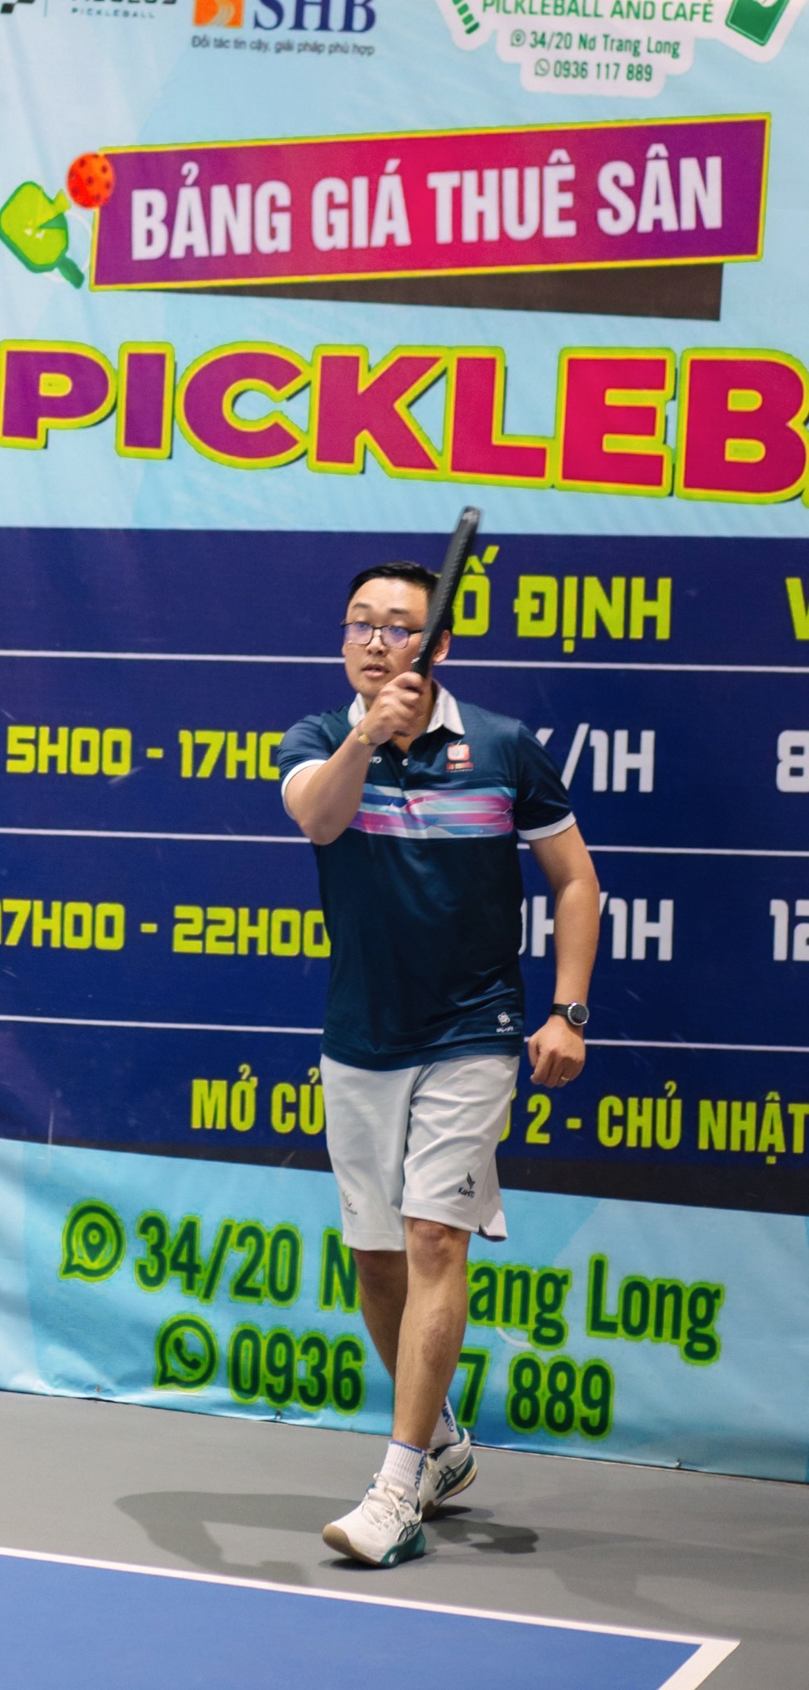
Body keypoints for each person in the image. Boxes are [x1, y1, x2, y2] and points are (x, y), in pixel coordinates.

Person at [278, 558, 598, 1569]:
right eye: (359, 623)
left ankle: (396, 1489)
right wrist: (367, 738)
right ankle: (445, 1446)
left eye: (397, 626)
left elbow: (576, 881)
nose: (375, 641)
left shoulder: (500, 747)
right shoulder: (318, 739)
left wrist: (567, 1011)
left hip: (473, 1028)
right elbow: (317, 818)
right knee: (375, 1259)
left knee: (430, 1241)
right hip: (361, 1034)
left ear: (439, 645)